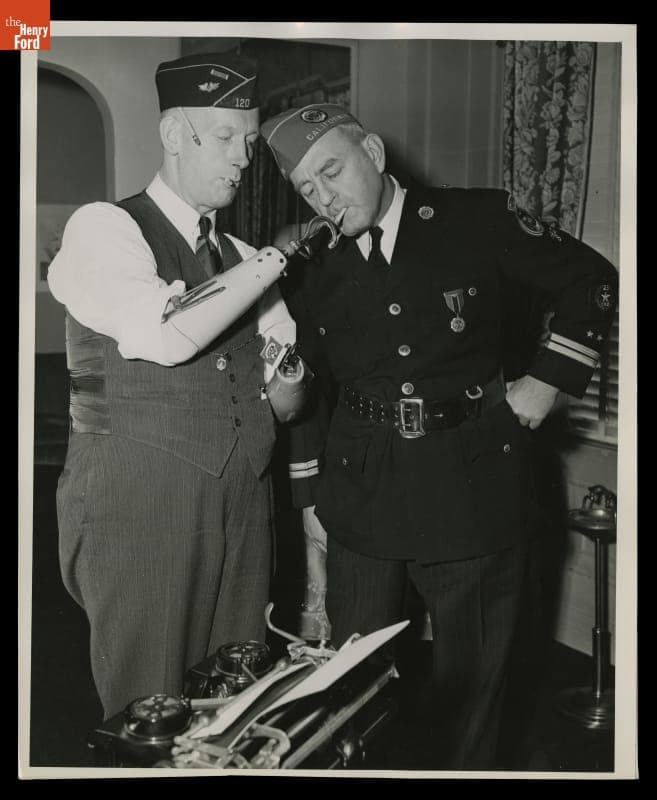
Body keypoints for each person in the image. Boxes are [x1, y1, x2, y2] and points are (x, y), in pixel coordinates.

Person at [261, 103, 618, 769]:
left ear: (372, 150)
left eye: (332, 171)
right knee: (348, 687)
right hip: (362, 490)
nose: (325, 197)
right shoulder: (311, 260)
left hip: (473, 481)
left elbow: (591, 280)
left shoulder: (475, 220)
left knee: (473, 691)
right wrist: (310, 499)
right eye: (308, 188)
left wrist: (546, 382)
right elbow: (306, 385)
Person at [48, 52, 297, 720]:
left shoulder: (240, 256)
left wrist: (292, 374)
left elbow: (281, 389)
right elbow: (164, 337)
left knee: (238, 699)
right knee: (150, 709)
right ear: (172, 136)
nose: (243, 158)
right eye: (223, 138)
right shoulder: (107, 228)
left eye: (248, 143)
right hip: (143, 496)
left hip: (246, 491)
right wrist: (278, 257)